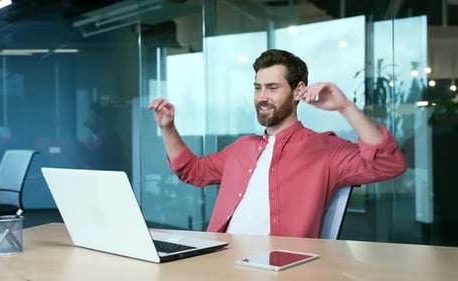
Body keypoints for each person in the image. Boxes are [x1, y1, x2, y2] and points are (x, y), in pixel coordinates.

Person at [148, 49, 406, 238]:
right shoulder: (242, 148)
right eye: (257, 88)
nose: (262, 97)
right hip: (220, 259)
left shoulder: (324, 149)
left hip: (282, 267)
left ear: (298, 90)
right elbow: (191, 170)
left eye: (272, 88)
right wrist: (168, 128)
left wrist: (345, 107)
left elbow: (388, 164)